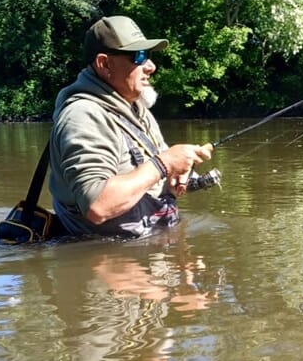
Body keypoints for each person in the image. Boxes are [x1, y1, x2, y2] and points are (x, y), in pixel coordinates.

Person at [49, 15, 212, 237]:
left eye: (149, 55)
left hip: (152, 247)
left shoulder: (137, 108)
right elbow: (97, 206)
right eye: (139, 56)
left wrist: (176, 175)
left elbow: (154, 170)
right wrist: (164, 164)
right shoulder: (83, 115)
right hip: (110, 259)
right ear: (104, 63)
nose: (151, 66)